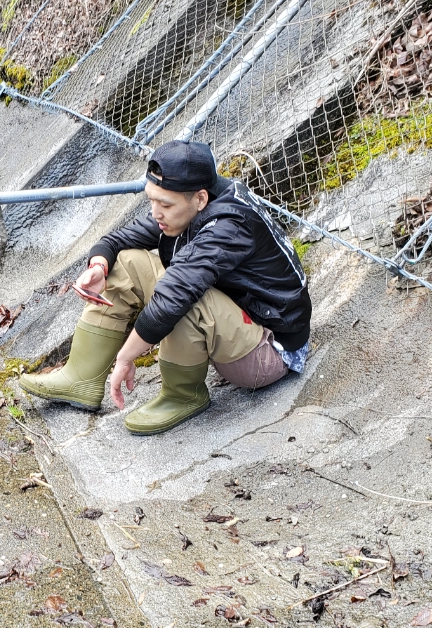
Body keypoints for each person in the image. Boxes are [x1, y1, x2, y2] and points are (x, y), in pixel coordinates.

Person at [20, 140, 312, 435]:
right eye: (152, 201)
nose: (156, 212)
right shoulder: (190, 204)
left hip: (268, 352)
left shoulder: (229, 225)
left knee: (182, 297)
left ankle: (183, 396)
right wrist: (98, 266)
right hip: (239, 325)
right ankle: (80, 377)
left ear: (199, 199)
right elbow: (119, 240)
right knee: (127, 262)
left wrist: (125, 357)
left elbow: (175, 296)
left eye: (165, 204)